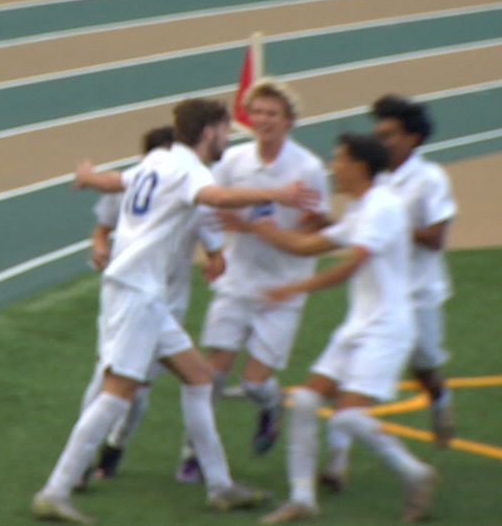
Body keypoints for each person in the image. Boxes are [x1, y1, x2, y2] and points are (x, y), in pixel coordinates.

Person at [31, 98, 321, 524]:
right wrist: (277, 193)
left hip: (138, 292)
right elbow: (216, 195)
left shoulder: (158, 160)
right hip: (139, 293)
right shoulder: (189, 169)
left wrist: (88, 178)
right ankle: (55, 490)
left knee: (199, 377)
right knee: (117, 391)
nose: (228, 137)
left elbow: (117, 182)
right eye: (225, 129)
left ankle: (220, 486)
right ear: (208, 132)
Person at [218, 133, 437, 524]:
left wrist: (292, 288)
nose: (332, 167)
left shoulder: (383, 208)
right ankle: (303, 499)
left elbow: (349, 265)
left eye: (339, 160)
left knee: (348, 417)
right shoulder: (360, 208)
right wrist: (256, 226)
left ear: (360, 166)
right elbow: (306, 247)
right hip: (360, 325)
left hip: (386, 330)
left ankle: (416, 474)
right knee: (303, 401)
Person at [179, 79, 330, 482]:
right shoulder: (234, 161)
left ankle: (270, 403)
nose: (263, 120)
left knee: (253, 381)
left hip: (282, 287)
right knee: (210, 373)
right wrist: (213, 252)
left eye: (272, 113)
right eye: (257, 112)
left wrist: (257, 229)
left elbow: (314, 234)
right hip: (237, 279)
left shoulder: (308, 169)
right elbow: (211, 207)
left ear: (289, 120)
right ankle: (194, 452)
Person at [320, 95, 458, 490]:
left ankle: (440, 400)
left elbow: (436, 238)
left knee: (425, 367)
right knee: (349, 378)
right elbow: (355, 229)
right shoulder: (372, 179)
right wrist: (327, 223)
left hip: (419, 295)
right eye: (377, 133)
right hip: (376, 299)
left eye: (389, 134)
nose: (381, 141)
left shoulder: (430, 179)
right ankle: (336, 463)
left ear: (413, 137)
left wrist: (392, 226)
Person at [79, 125, 225, 484]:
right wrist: (99, 245)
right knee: (110, 382)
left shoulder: (188, 191)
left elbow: (216, 249)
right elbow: (102, 226)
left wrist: (214, 262)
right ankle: (75, 472)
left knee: (139, 390)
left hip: (166, 304)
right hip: (135, 297)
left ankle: (113, 450)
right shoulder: (140, 182)